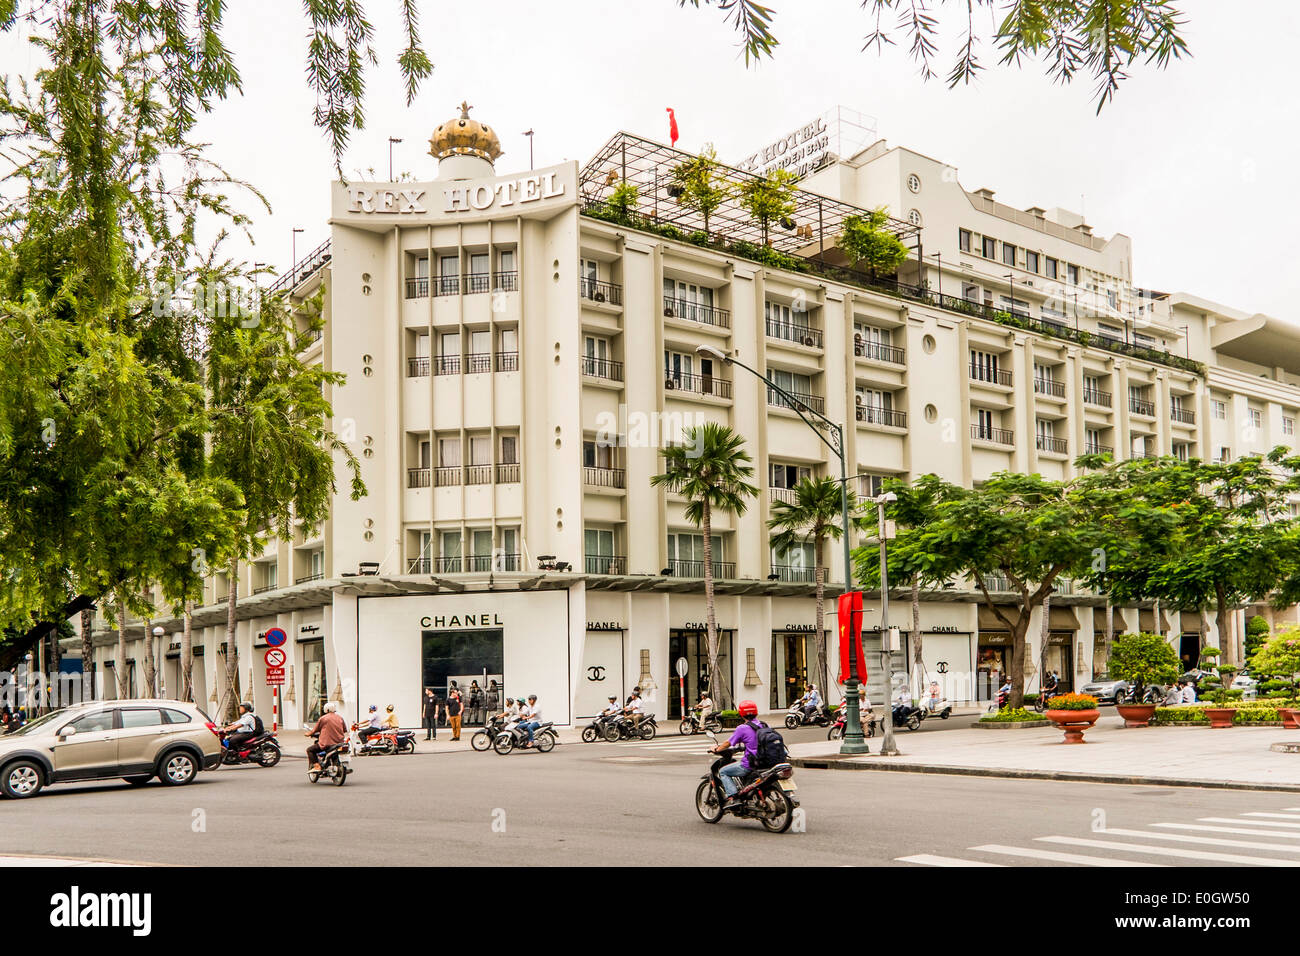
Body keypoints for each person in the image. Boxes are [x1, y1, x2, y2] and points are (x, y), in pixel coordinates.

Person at [712, 699, 763, 808]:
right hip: (766, 762)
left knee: (723, 771)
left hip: (751, 764)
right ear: (756, 712)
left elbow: (728, 743)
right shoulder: (763, 725)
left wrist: (717, 749)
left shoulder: (742, 728)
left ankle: (734, 797)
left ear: (741, 714)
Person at [305, 702, 348, 771]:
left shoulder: (323, 718)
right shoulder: (340, 718)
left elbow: (315, 730)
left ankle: (317, 766)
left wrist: (308, 734)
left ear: (326, 710)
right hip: (340, 743)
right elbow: (345, 730)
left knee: (310, 750)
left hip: (327, 743)